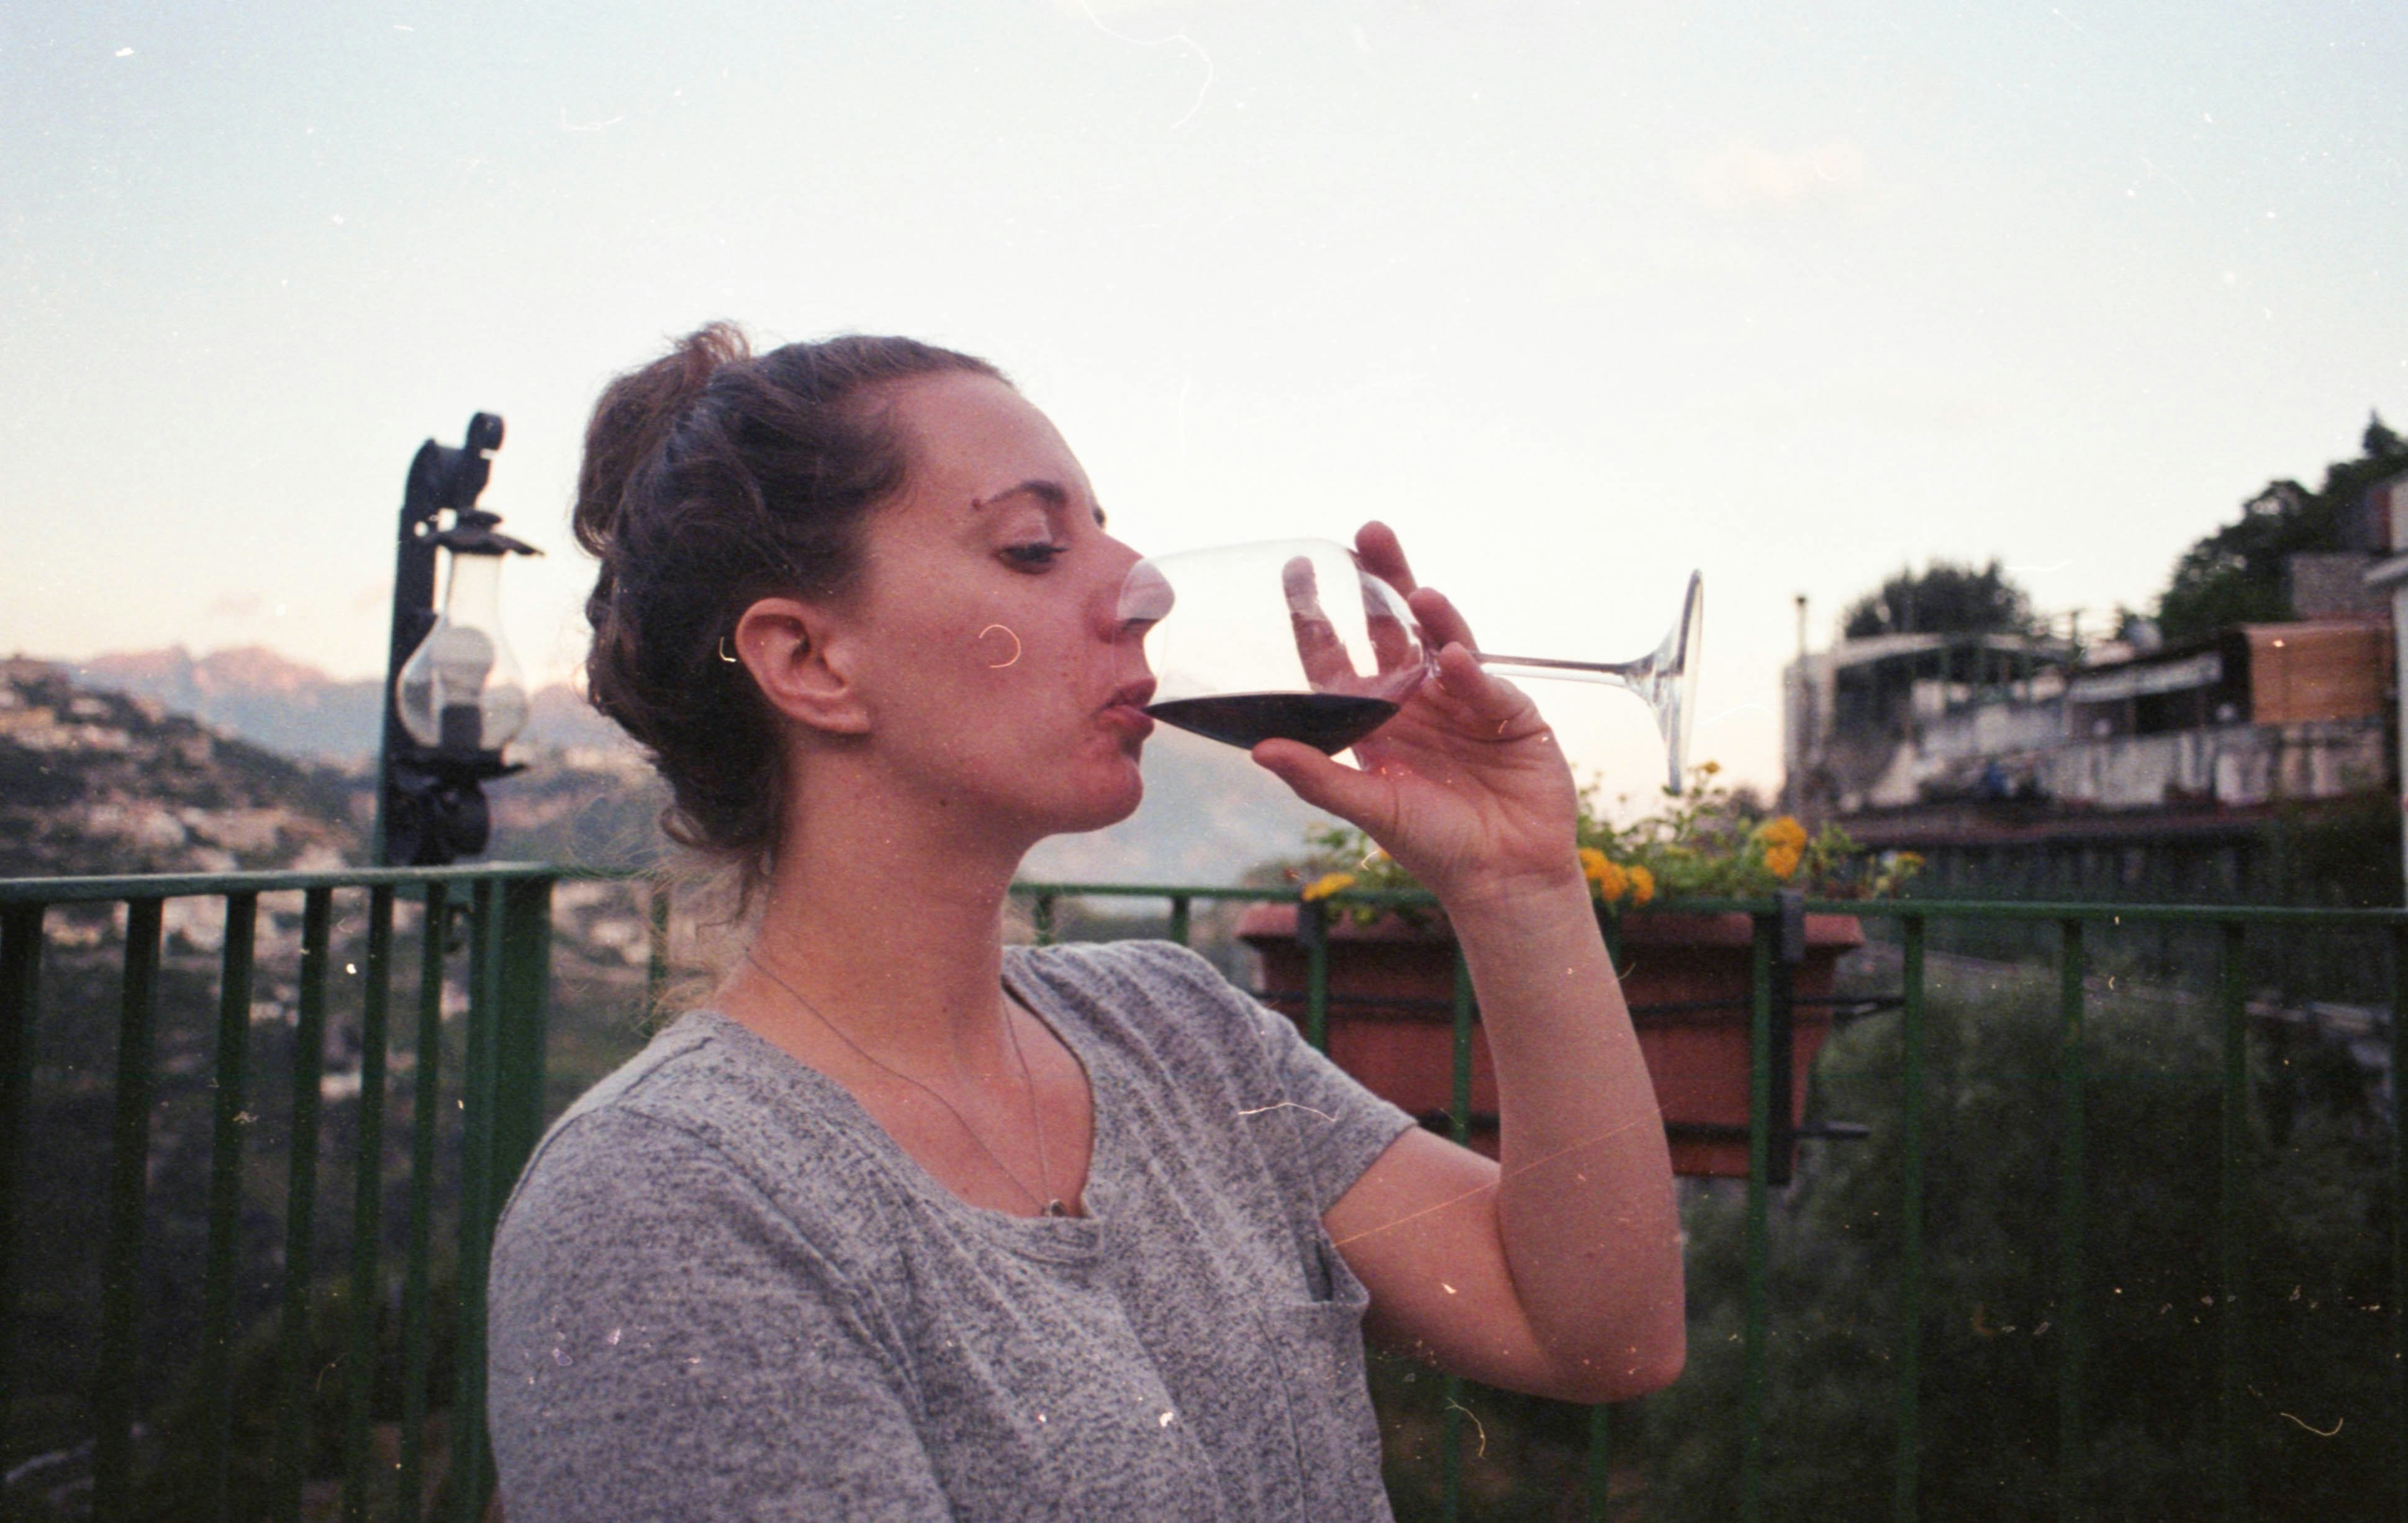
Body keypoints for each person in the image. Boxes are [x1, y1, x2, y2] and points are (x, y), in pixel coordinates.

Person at [486, 324, 1685, 1521]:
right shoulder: (670, 1201)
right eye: (1031, 546)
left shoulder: (1178, 1031)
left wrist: (1520, 892)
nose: (1140, 589)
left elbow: (1591, 1331)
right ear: (809, 660)